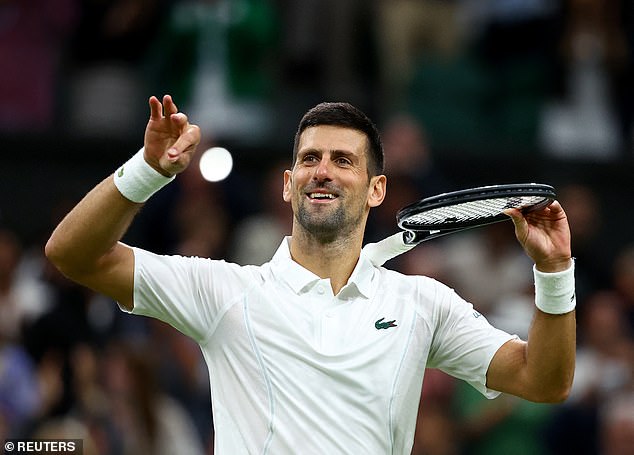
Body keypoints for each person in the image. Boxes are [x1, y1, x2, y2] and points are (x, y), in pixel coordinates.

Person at [45, 95, 577, 454]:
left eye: (344, 160)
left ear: (377, 190)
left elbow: (544, 380)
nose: (322, 169)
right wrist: (146, 169)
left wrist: (554, 272)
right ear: (287, 184)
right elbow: (73, 254)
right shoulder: (226, 292)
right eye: (310, 158)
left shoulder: (424, 303)